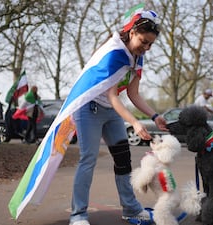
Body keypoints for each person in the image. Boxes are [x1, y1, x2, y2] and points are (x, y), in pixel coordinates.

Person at [69, 9, 167, 225]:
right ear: (132, 32)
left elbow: (133, 94)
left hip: (111, 112)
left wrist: (155, 115)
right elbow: (113, 95)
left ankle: (131, 209)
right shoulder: (115, 53)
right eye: (144, 41)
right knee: (88, 159)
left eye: (151, 44)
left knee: (123, 159)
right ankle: (78, 215)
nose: (146, 48)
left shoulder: (137, 58)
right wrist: (134, 122)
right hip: (89, 108)